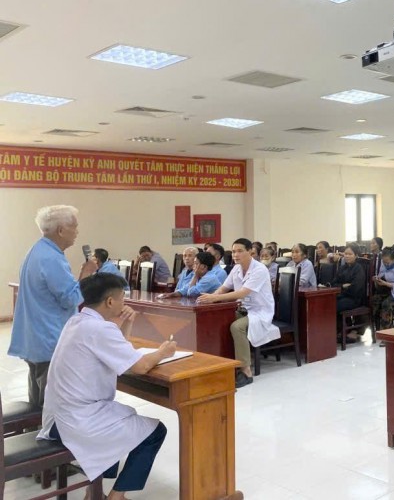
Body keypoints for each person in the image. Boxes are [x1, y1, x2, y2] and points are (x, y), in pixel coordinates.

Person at [37, 273, 176, 500]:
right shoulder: (100, 329)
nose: (124, 302)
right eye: (122, 297)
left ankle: (92, 494)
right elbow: (140, 366)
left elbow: (118, 350)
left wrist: (126, 323)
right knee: (155, 432)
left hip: (58, 418)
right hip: (74, 422)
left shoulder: (77, 321)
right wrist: (163, 352)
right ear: (110, 301)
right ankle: (116, 497)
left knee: (118, 421)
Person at [9, 205, 97, 408]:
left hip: (35, 338)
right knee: (51, 407)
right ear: (61, 230)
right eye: (74, 226)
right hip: (50, 340)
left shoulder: (37, 251)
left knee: (37, 400)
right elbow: (70, 299)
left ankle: (34, 426)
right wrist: (86, 274)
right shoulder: (51, 258)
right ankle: (44, 429)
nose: (77, 232)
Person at [198, 238, 278, 388]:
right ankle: (224, 363)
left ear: (250, 252)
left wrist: (215, 298)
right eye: (234, 251)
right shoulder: (236, 268)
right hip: (242, 309)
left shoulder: (260, 269)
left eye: (240, 251)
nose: (235, 255)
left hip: (259, 311)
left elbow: (242, 293)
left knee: (237, 327)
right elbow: (223, 288)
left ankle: (246, 371)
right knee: (218, 320)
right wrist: (209, 299)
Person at [332, 244, 367, 343]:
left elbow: (355, 288)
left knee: (335, 305)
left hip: (355, 298)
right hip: (343, 296)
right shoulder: (342, 268)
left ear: (356, 255)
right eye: (345, 254)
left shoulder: (358, 269)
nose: (347, 256)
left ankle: (345, 330)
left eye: (350, 254)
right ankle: (341, 329)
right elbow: (334, 283)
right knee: (329, 303)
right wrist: (343, 286)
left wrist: (341, 289)